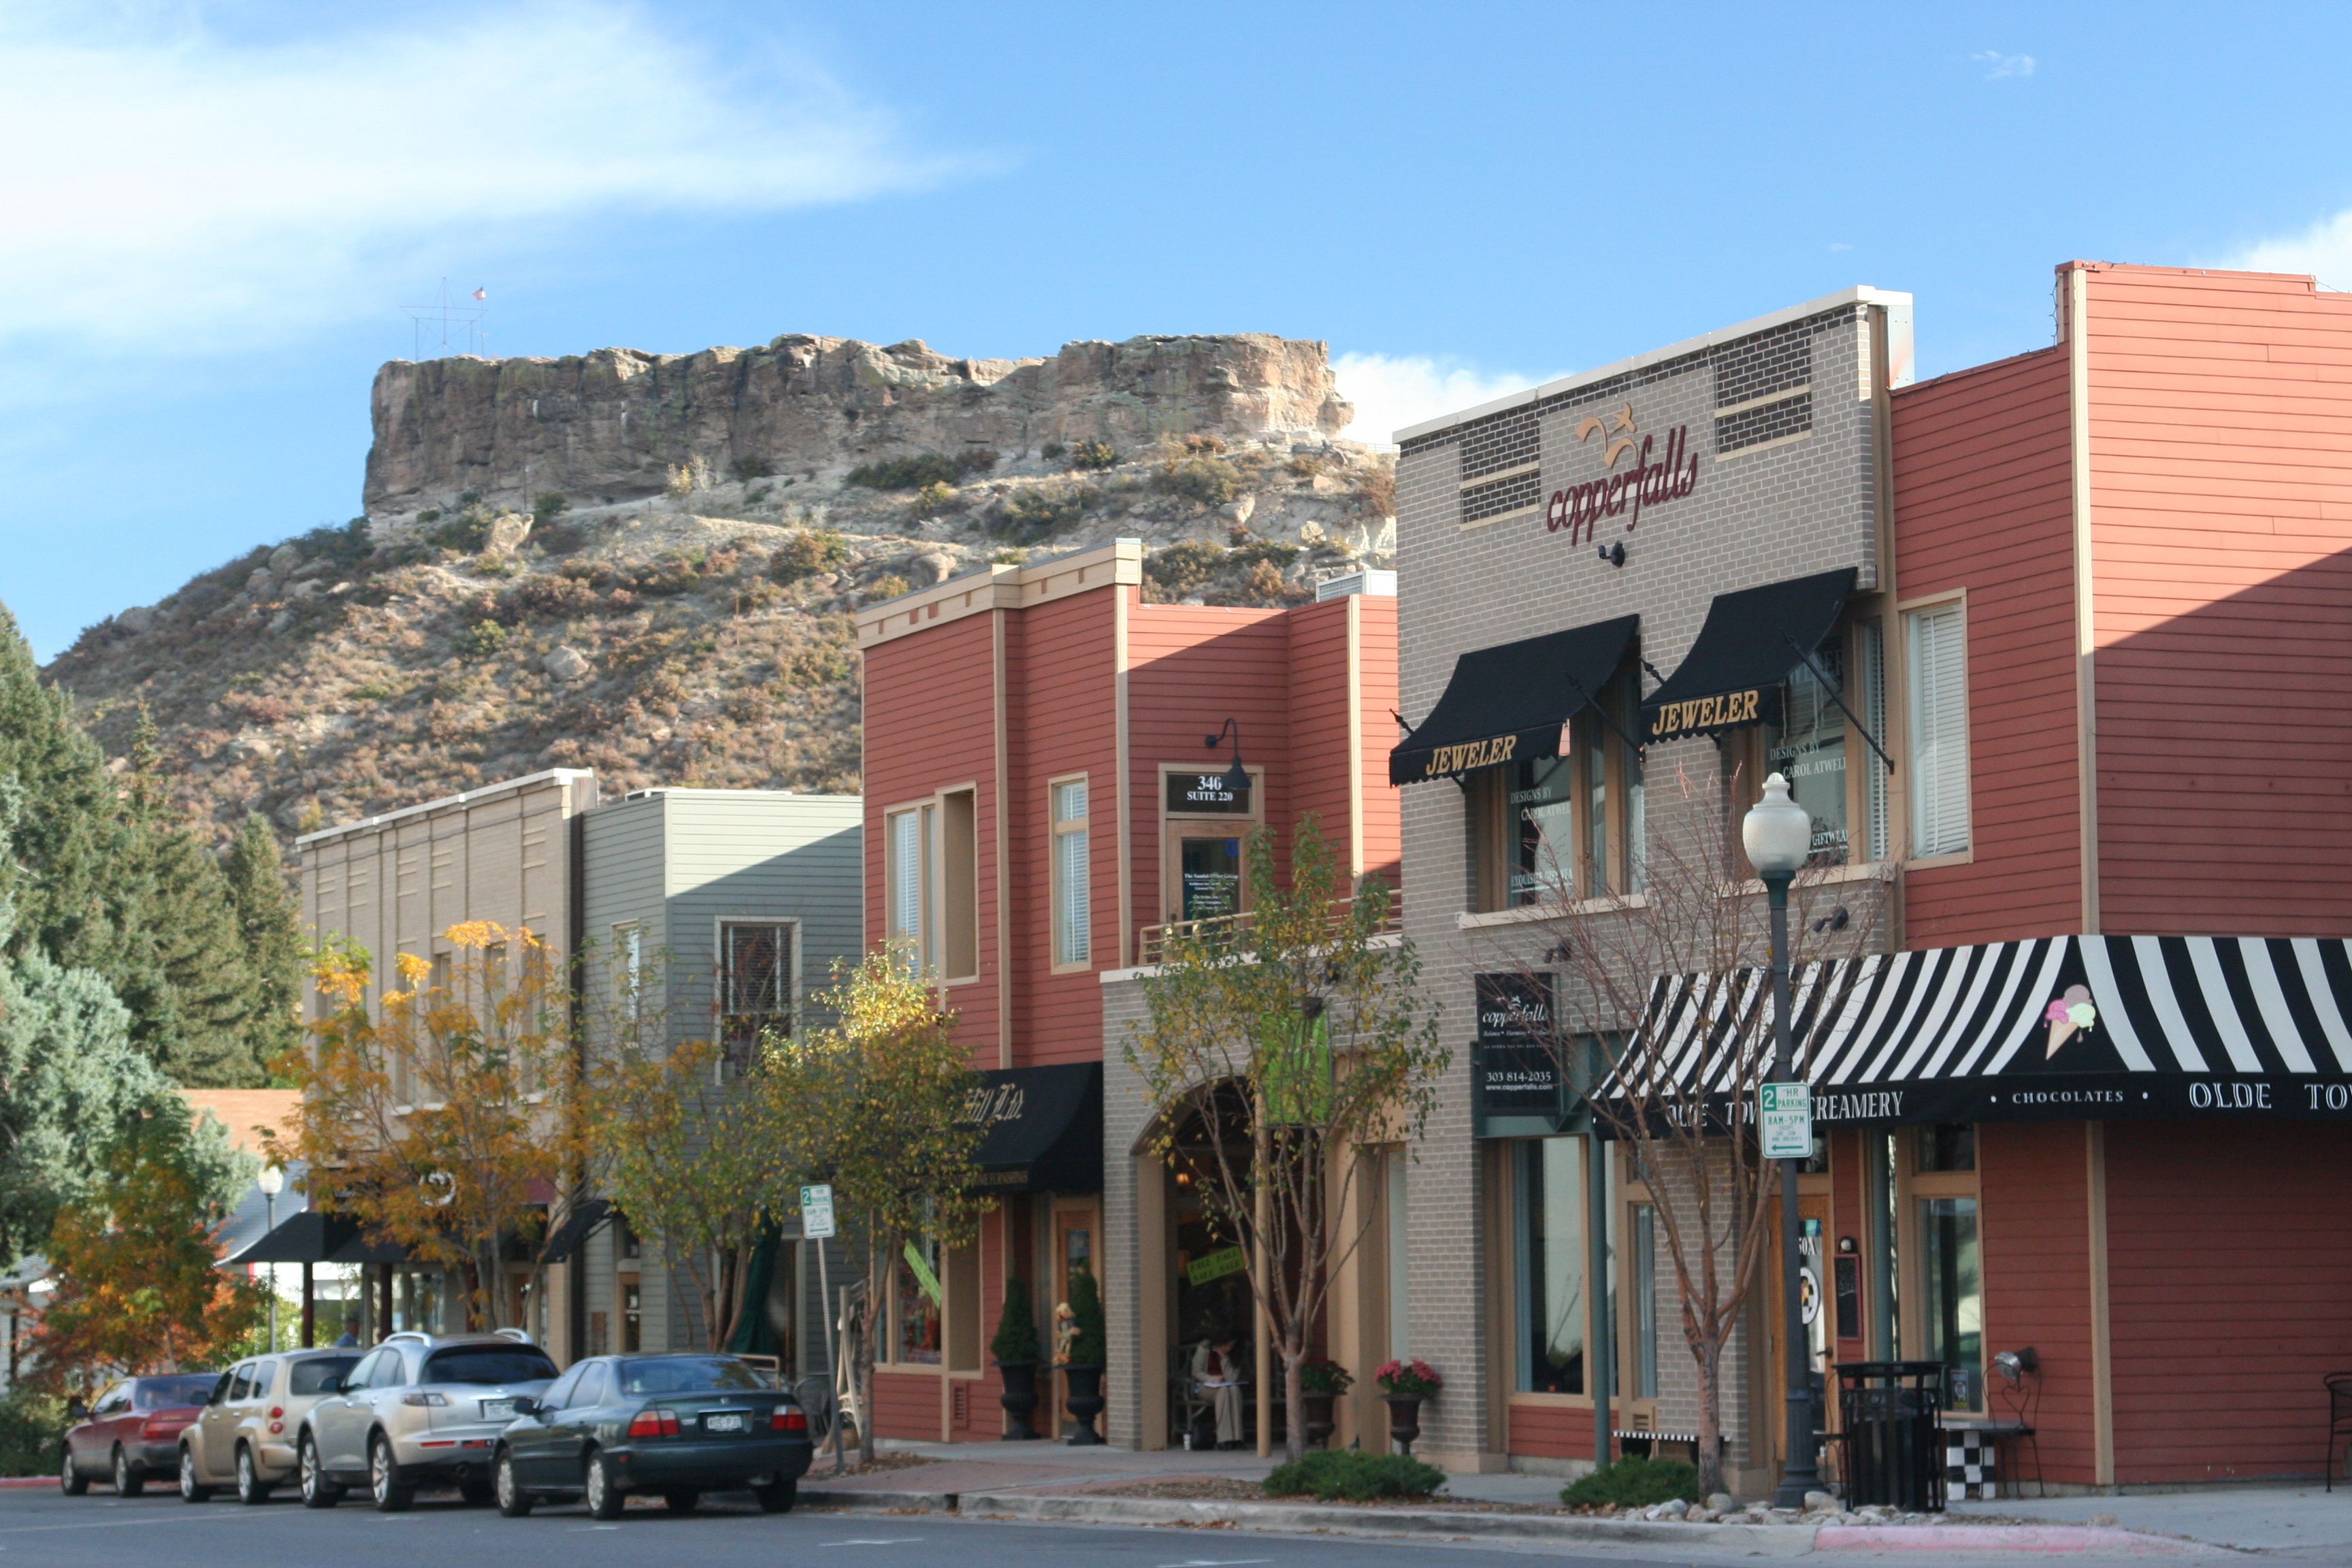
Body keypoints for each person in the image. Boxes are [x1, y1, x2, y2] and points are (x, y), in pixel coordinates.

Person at [1190, 1331, 1244, 1449]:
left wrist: (1224, 1358)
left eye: (1232, 1346)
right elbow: (1197, 1371)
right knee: (1224, 1390)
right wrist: (1211, 1379)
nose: (1229, 1348)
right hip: (1206, 1386)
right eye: (1227, 1345)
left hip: (1226, 1386)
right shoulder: (1205, 1348)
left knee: (1234, 1389)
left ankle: (1237, 1438)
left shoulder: (1234, 1354)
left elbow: (1232, 1378)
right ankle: (1224, 1438)